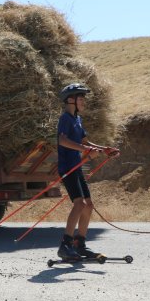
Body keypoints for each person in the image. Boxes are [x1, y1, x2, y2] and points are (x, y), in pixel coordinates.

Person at [56, 83, 120, 260]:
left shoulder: (77, 120)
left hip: (76, 167)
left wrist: (104, 149)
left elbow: (86, 142)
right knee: (79, 204)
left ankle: (79, 244)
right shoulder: (65, 119)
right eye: (81, 99)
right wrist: (85, 149)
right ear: (71, 100)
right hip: (67, 168)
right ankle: (65, 246)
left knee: (88, 205)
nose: (83, 102)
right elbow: (62, 141)